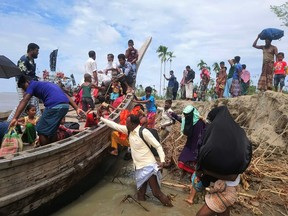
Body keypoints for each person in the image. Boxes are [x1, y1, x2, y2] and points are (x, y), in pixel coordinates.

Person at [100, 114, 173, 207]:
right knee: (140, 194)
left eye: (127, 123)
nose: (125, 125)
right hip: (138, 167)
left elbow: (158, 146)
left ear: (133, 124)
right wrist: (101, 118)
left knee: (156, 193)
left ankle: (170, 207)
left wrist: (162, 161)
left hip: (148, 166)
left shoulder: (144, 132)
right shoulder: (129, 130)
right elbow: (115, 126)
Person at [195, 106, 252, 216]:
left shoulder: (216, 132)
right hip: (224, 186)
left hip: (227, 189)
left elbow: (232, 177)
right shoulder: (239, 133)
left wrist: (204, 171)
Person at [9, 75, 84, 146]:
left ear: (27, 82)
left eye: (23, 87)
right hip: (65, 106)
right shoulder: (47, 84)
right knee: (54, 129)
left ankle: (45, 149)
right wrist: (76, 108)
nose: (25, 90)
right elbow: (66, 95)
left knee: (40, 129)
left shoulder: (32, 85)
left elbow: (24, 101)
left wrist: (15, 118)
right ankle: (54, 147)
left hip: (54, 106)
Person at [8, 43, 41, 122]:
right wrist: (24, 90)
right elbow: (20, 75)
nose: (38, 53)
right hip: (22, 85)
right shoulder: (24, 59)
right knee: (23, 102)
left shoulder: (32, 60)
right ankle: (10, 120)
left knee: (32, 102)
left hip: (30, 85)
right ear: (31, 50)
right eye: (37, 51)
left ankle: (33, 119)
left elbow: (32, 75)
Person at [170, 105, 206, 174]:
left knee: (186, 159)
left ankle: (192, 175)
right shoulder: (197, 121)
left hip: (196, 144)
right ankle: (190, 174)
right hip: (193, 144)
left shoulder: (197, 121)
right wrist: (174, 115)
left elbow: (181, 120)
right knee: (186, 159)